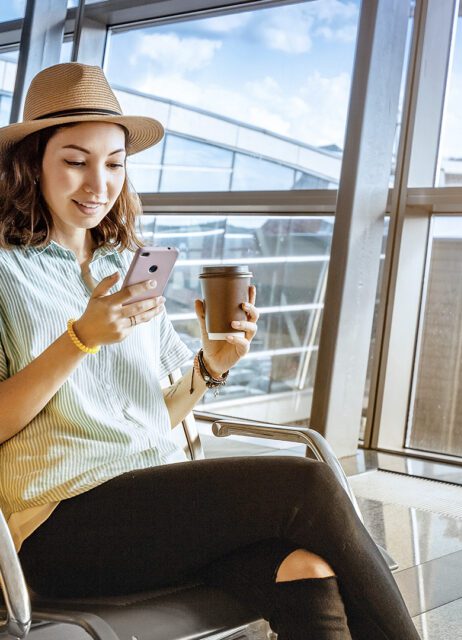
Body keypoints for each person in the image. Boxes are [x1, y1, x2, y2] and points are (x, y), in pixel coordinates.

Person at [0, 63, 419, 640]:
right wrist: (79, 341)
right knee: (309, 485)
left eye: (115, 163)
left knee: (306, 570)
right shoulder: (4, 271)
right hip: (60, 528)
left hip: (151, 506)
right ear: (32, 164)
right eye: (76, 161)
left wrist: (210, 366)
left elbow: (150, 416)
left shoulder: (126, 267)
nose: (98, 184)